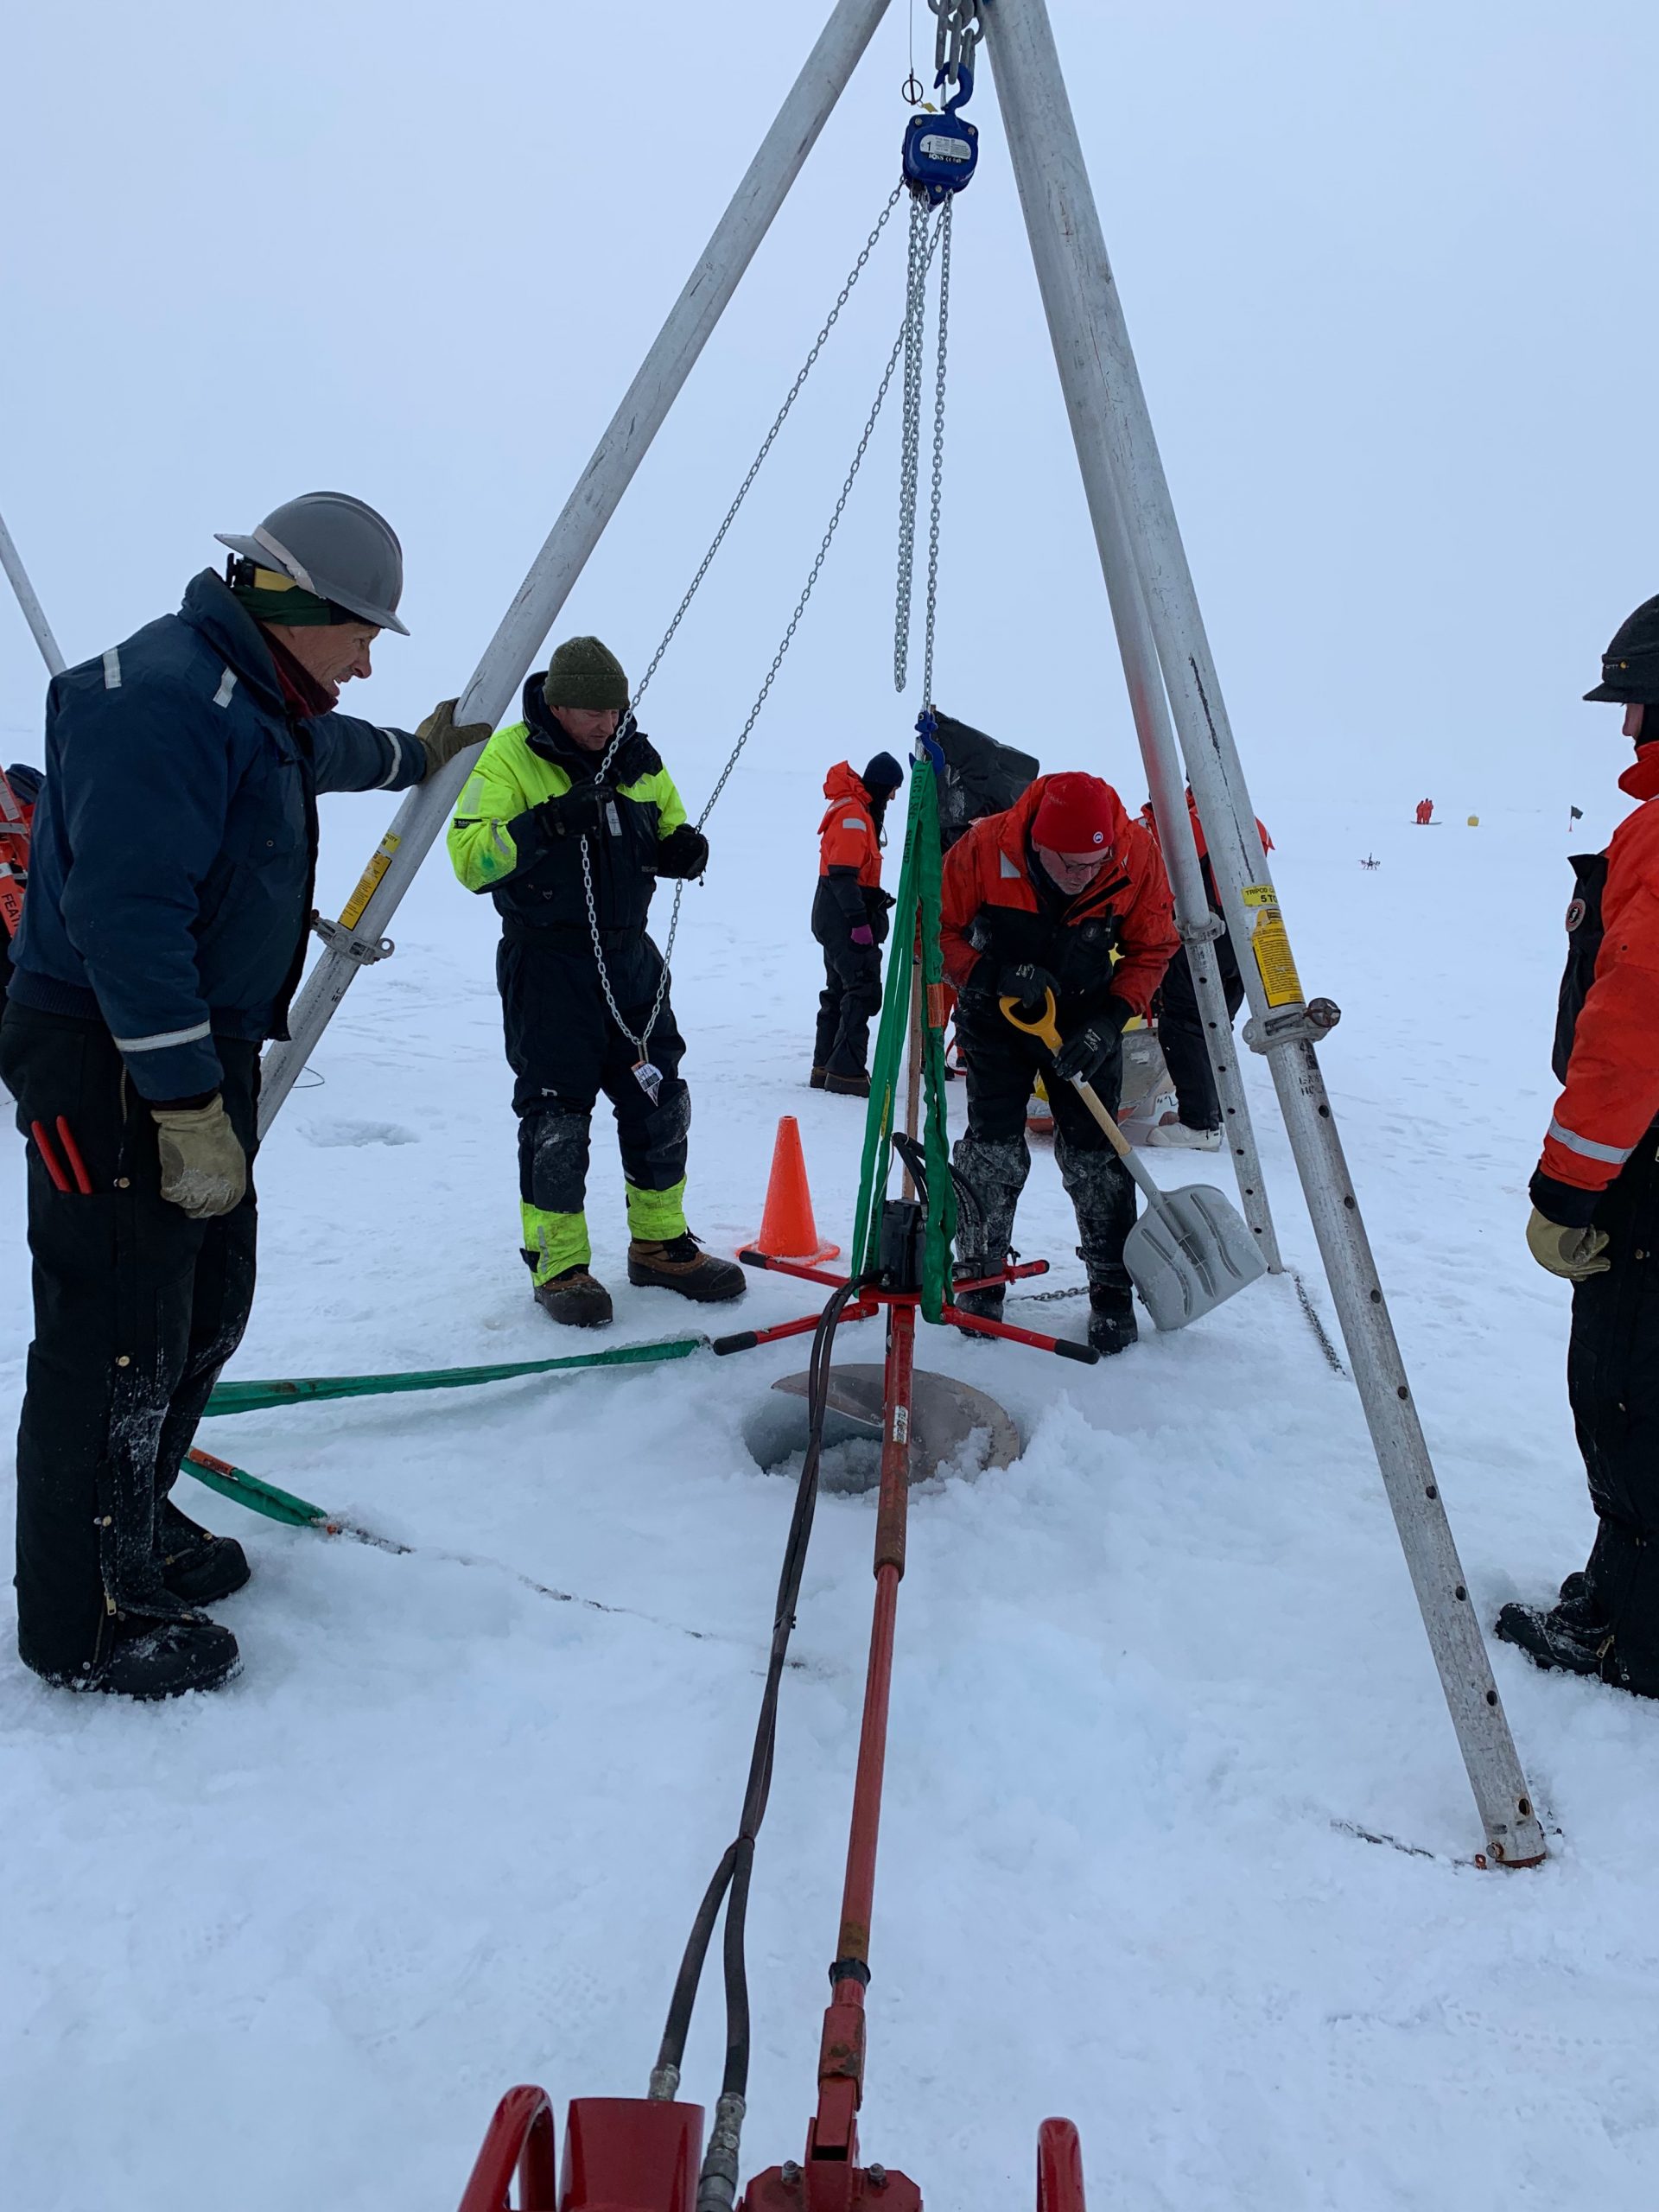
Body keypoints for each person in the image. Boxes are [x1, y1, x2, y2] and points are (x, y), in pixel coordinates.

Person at [0, 493, 491, 1699]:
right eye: (361, 630)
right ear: (290, 605)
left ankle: (137, 1519)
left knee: (203, 1305)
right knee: (112, 1339)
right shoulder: (161, 702)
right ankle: (88, 1617)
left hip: (181, 1058)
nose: (370, 656)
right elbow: (123, 920)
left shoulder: (252, 698)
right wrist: (178, 1103)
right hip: (110, 1059)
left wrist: (413, 755)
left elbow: (312, 752)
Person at [447, 634, 744, 1329]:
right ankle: (560, 1265)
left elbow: (668, 823)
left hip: (630, 959)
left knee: (660, 1098)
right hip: (548, 964)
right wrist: (547, 822)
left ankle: (660, 1245)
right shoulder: (510, 758)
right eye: (591, 712)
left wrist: (683, 849)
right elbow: (470, 859)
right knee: (557, 1117)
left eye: (615, 710)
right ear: (557, 704)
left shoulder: (636, 759)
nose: (606, 723)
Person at [1497, 594, 1659, 1695]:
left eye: (1635, 703)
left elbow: (1635, 1023)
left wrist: (1568, 1186)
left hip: (1647, 1171)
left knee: (1626, 1390)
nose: (1625, 729)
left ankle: (1637, 1639)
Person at [939, 770, 1178, 1355]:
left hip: (1084, 1021)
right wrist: (989, 974)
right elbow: (931, 931)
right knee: (990, 1150)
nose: (1080, 876)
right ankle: (981, 1276)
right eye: (1067, 864)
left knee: (1097, 1156)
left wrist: (1111, 1018)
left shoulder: (1135, 855)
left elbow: (1155, 946)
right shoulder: (983, 847)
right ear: (1035, 843)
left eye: (1092, 865)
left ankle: (1112, 1287)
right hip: (996, 1021)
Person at [1140, 788, 1272, 1152]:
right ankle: (1218, 1109)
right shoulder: (1244, 820)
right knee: (1213, 1027)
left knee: (1184, 1023)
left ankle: (1200, 1124)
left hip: (1204, 934)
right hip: (1250, 937)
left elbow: (1164, 871)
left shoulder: (1191, 823)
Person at [811, 751, 905, 1096]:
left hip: (833, 912)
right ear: (882, 785)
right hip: (842, 915)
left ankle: (825, 1067)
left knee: (838, 989)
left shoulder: (857, 810)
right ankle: (847, 1074)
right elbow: (843, 876)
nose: (894, 797)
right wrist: (858, 922)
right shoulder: (854, 815)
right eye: (893, 789)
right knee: (861, 988)